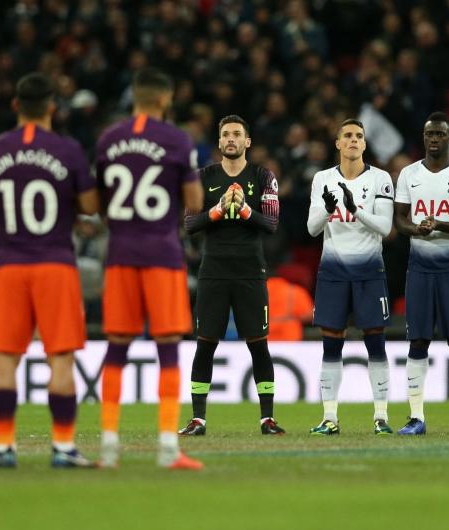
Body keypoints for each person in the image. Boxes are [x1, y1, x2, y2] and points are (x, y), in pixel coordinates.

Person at [0, 73, 99, 468]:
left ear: (15, 106)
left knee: (5, 358)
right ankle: (62, 447)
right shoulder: (68, 150)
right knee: (60, 359)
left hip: (10, 265)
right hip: (55, 264)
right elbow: (91, 205)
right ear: (51, 108)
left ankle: (4, 447)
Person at [95, 68, 204, 469]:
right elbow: (193, 202)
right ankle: (167, 447)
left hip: (120, 255)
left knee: (116, 347)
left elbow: (101, 202)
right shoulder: (176, 139)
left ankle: (108, 443)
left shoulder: (109, 138)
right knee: (168, 350)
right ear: (164, 100)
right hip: (161, 255)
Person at [179, 114, 284, 436]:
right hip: (213, 270)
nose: (231, 139)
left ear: (247, 142)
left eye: (237, 134)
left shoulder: (263, 176)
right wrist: (219, 209)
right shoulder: (203, 177)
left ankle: (267, 418)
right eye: (226, 134)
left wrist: (245, 210)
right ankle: (198, 419)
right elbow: (189, 224)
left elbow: (271, 224)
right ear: (219, 141)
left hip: (251, 271)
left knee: (258, 343)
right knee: (206, 342)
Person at [393, 112, 449, 435]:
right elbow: (399, 220)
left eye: (440, 134)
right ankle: (416, 417)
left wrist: (438, 225)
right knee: (418, 341)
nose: (434, 139)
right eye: (429, 134)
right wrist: (417, 229)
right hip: (419, 268)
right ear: (424, 137)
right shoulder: (408, 174)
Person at [306, 118, 395, 435]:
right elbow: (312, 228)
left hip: (370, 272)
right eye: (348, 136)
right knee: (331, 346)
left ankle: (381, 417)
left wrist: (353, 209)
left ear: (365, 144)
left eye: (359, 136)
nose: (354, 140)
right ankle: (329, 417)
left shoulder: (381, 179)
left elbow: (386, 227)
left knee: (376, 344)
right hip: (333, 272)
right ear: (338, 143)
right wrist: (328, 209)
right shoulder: (322, 178)